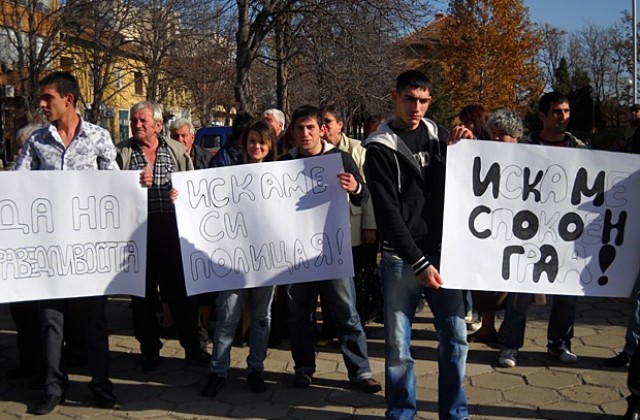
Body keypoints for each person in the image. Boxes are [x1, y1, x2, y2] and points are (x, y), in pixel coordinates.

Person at [363, 70, 469, 420]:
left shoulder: (440, 136)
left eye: (424, 100)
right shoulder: (379, 147)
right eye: (410, 99)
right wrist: (419, 263)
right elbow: (387, 213)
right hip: (401, 259)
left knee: (456, 340)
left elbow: (466, 184)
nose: (417, 107)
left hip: (444, 253)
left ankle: (455, 413)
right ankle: (401, 412)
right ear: (395, 97)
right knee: (398, 347)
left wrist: (467, 146)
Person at [14, 71, 119, 415]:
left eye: (47, 98)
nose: (42, 105)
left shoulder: (99, 138)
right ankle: (53, 386)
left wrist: (140, 183)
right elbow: (17, 186)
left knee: (93, 321)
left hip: (87, 251)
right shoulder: (36, 141)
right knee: (50, 320)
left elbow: (116, 188)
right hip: (49, 249)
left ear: (68, 100)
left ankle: (101, 384)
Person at [279, 105, 382, 394]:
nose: (305, 133)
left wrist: (355, 188)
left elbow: (363, 198)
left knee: (346, 311)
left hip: (334, 251)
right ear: (293, 131)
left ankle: (360, 371)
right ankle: (304, 367)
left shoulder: (340, 159)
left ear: (322, 130)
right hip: (298, 254)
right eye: (299, 128)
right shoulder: (285, 163)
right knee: (300, 313)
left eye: (310, 127)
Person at [116, 101, 210, 371]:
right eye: (134, 120)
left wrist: (181, 197)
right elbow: (109, 193)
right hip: (138, 233)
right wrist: (130, 183)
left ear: (158, 125)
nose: (137, 124)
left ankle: (195, 348)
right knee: (142, 297)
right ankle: (149, 350)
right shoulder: (121, 153)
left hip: (172, 231)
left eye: (143, 120)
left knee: (182, 294)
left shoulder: (177, 150)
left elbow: (193, 190)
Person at [496, 91, 585, 369]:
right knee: (520, 292)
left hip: (567, 235)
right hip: (527, 232)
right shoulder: (524, 147)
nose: (563, 117)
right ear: (543, 115)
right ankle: (510, 345)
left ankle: (560, 343)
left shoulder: (581, 150)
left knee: (567, 292)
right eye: (557, 112)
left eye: (567, 111)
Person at [201, 120, 278, 398]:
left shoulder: (282, 177)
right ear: (244, 145)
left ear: (270, 146)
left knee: (260, 317)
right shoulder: (228, 174)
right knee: (227, 316)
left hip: (267, 261)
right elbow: (204, 201)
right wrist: (182, 197)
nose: (256, 147)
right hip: (233, 259)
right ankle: (217, 370)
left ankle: (255, 368)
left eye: (262, 142)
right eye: (252, 141)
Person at [321, 105, 379, 332]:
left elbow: (368, 191)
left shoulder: (357, 150)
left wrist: (369, 226)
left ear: (340, 125)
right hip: (326, 229)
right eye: (321, 122)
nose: (324, 127)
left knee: (352, 281)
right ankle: (329, 327)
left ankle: (356, 323)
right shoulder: (317, 152)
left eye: (328, 121)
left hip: (353, 226)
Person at [467, 109, 523, 344]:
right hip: (488, 230)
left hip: (519, 233)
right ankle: (487, 328)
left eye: (503, 135)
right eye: (494, 134)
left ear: (515, 137)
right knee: (484, 282)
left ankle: (510, 337)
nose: (497, 139)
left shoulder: (531, 160)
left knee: (516, 289)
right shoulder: (481, 155)